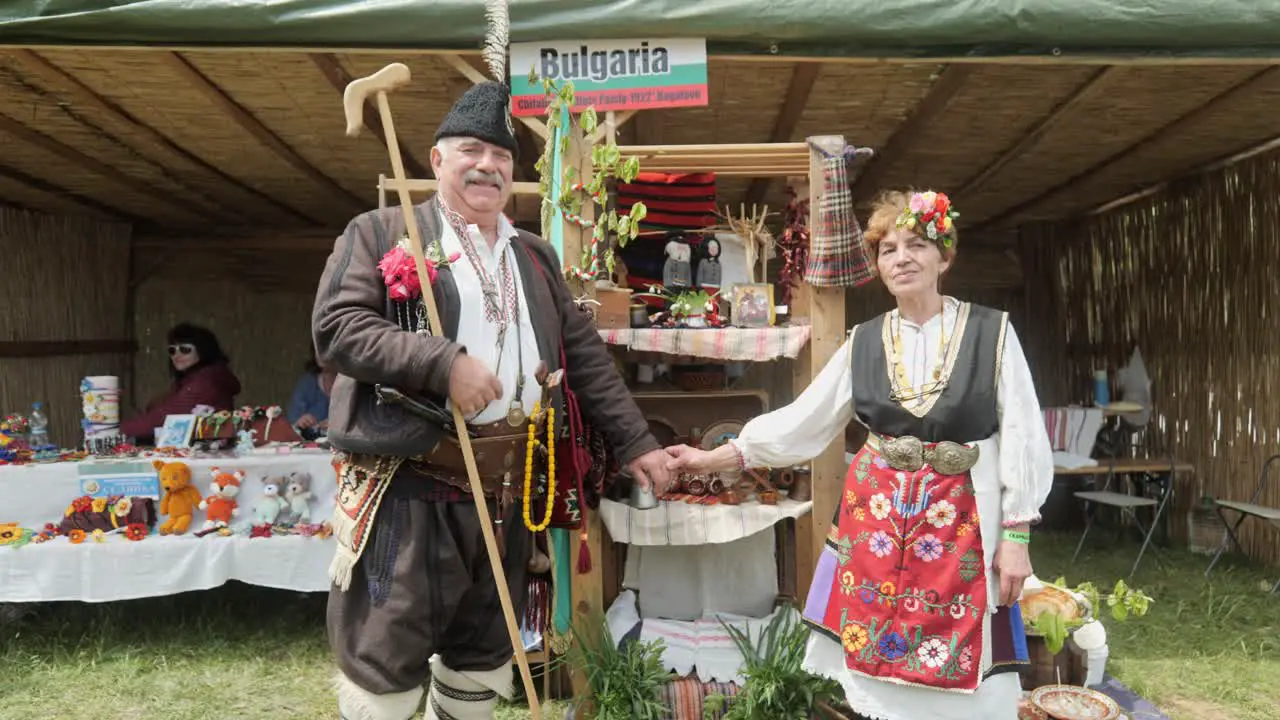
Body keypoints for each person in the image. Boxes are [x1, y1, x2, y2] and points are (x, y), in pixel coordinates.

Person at [313, 79, 673, 720]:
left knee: (482, 656)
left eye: (502, 156)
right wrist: (441, 363)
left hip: (509, 491)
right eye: (472, 150)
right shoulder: (379, 231)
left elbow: (584, 356)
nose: (488, 165)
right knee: (385, 658)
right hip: (410, 485)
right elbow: (338, 330)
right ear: (437, 161)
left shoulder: (533, 256)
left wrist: (636, 442)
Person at [666, 189, 1054, 720]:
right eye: (888, 248)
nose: (902, 258)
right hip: (876, 527)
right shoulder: (865, 342)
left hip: (965, 524)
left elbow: (1024, 434)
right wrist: (714, 458)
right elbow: (807, 419)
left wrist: (1016, 535)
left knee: (968, 676)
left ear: (945, 256)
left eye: (917, 244)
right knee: (877, 672)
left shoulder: (993, 334)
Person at [120, 323, 241, 444]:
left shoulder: (205, 383)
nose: (177, 355)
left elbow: (164, 418)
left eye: (185, 349)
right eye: (172, 350)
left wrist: (114, 431)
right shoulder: (197, 379)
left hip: (206, 453)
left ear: (203, 350)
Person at [288, 350, 335, 440]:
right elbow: (290, 427)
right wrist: (300, 423)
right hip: (311, 449)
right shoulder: (306, 383)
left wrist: (339, 426)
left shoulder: (354, 384)